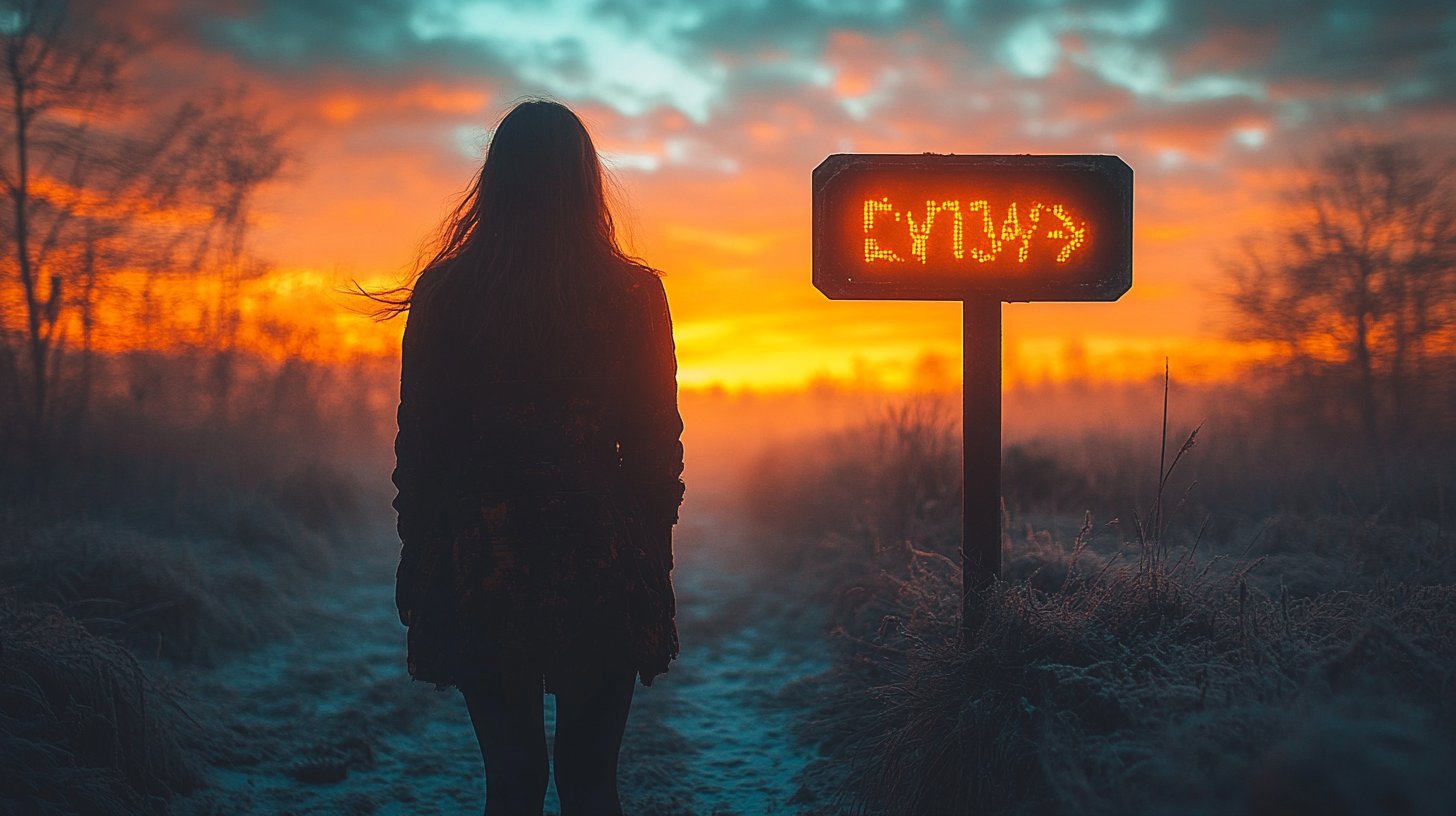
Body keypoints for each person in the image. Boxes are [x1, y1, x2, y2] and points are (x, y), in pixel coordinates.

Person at [369, 99, 684, 816]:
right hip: (598, 557)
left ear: (495, 181)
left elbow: (422, 446)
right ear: (587, 184)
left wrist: (419, 557)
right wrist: (651, 565)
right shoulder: (633, 294)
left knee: (510, 781)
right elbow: (653, 447)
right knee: (590, 781)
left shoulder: (448, 294)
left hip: (485, 558)